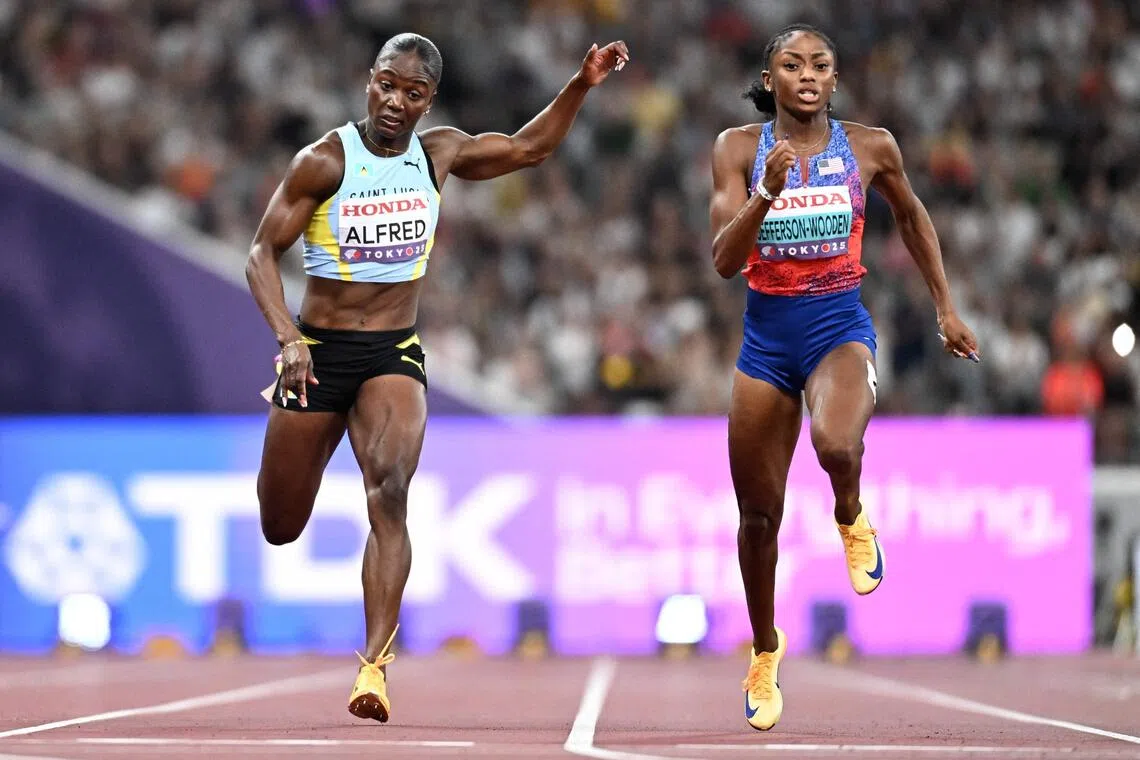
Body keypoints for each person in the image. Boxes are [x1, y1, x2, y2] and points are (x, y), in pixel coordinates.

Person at [245, 32, 629, 724]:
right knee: (279, 524)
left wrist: (581, 83)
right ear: (370, 81)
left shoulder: (438, 153)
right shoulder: (325, 161)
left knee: (389, 490)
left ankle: (374, 668)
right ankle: (352, 617)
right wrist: (289, 338)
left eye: (412, 92)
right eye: (387, 85)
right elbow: (259, 255)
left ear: (430, 102)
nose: (395, 101)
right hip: (317, 350)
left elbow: (528, 148)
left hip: (392, 351)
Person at [708, 24, 980, 731]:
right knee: (758, 519)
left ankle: (850, 513)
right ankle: (765, 651)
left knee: (835, 445)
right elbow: (722, 261)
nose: (806, 75)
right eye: (791, 65)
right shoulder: (739, 149)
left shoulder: (870, 146)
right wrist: (761, 196)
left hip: (837, 327)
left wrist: (946, 307)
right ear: (769, 80)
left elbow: (913, 216)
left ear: (835, 78)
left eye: (819, 65)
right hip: (766, 342)